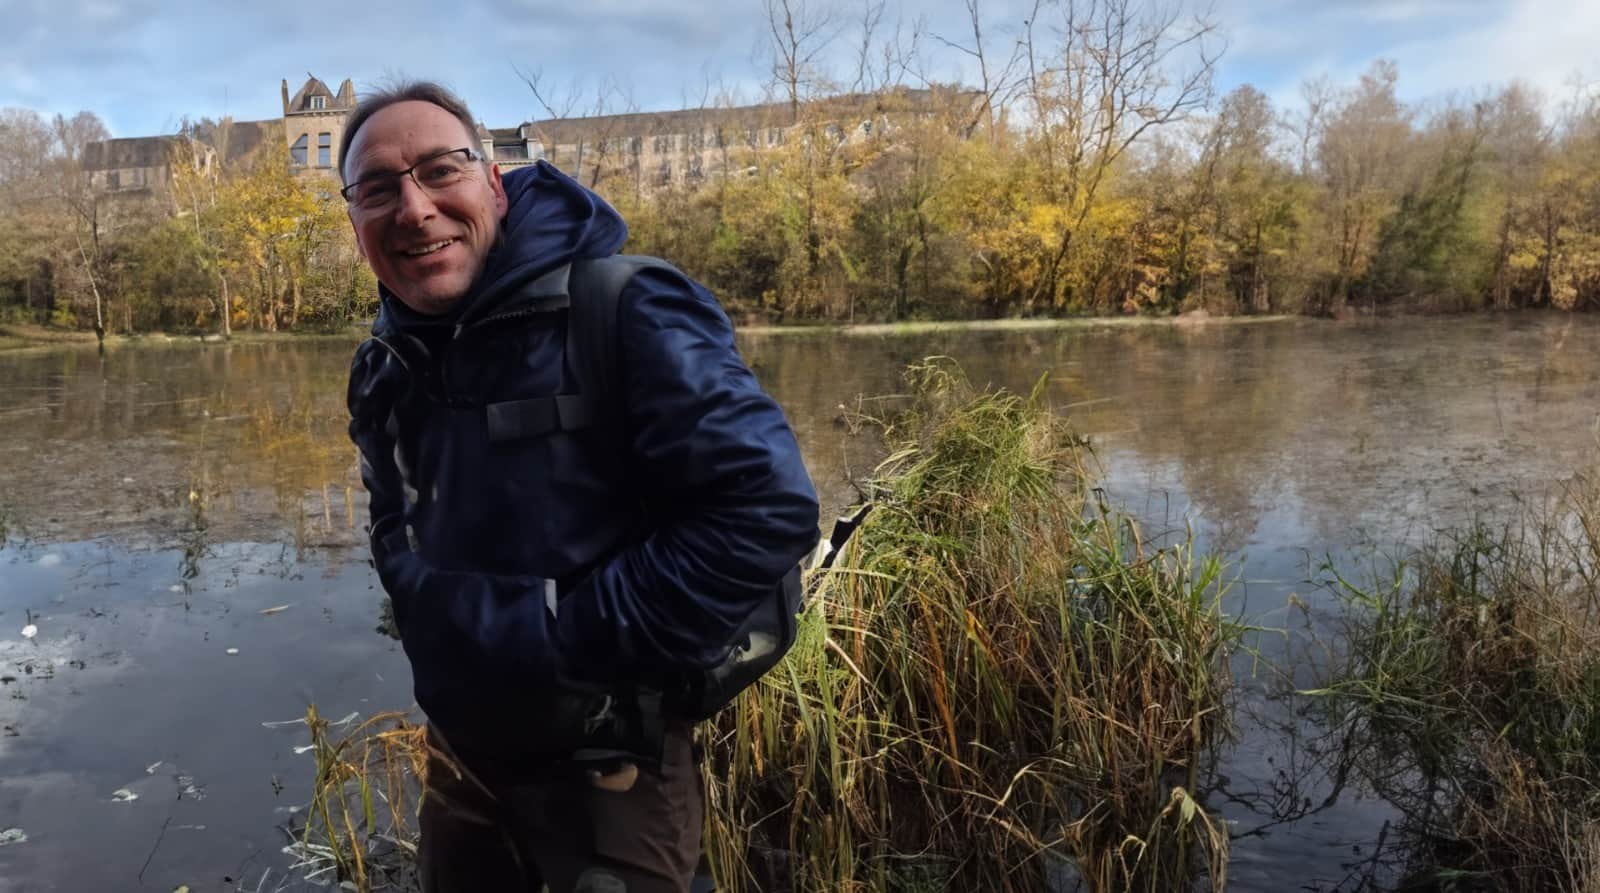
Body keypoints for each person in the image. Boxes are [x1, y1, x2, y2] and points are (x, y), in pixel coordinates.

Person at [340, 81, 820, 893]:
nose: (413, 208)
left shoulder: (624, 304)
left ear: (494, 180)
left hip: (612, 767)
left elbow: (765, 509)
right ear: (354, 219)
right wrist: (429, 612)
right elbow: (393, 519)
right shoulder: (384, 363)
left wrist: (564, 636)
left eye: (439, 170)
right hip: (462, 753)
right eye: (377, 188)